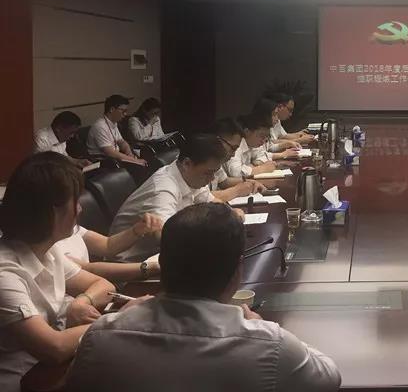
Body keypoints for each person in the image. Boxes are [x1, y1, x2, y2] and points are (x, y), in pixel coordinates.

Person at [65, 203, 341, 392]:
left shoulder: (99, 336)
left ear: (163, 264)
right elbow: (330, 377)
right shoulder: (270, 344)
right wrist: (263, 325)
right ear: (238, 270)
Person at [0, 153, 115, 390]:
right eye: (76, 201)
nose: (80, 209)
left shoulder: (46, 250)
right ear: (53, 213)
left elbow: (105, 286)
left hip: (53, 371)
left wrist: (82, 301)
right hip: (23, 381)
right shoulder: (5, 273)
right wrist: (118, 321)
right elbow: (55, 347)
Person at [109, 134, 254, 261]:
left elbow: (210, 201)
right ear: (187, 163)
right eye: (208, 173)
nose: (211, 179)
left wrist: (230, 213)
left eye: (214, 172)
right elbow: (166, 237)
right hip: (132, 265)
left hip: (160, 255)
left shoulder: (189, 174)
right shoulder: (163, 189)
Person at [55, 213, 163, 283]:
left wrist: (137, 230)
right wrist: (152, 267)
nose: (79, 208)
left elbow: (107, 245)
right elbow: (89, 270)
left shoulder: (67, 225)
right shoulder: (50, 245)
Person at [86, 95, 146, 165]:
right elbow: (110, 152)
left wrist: (129, 153)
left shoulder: (113, 122)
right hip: (103, 161)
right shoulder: (99, 126)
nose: (125, 114)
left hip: (114, 158)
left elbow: (121, 142)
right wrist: (134, 160)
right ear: (112, 109)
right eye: (123, 111)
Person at [224, 113, 279, 178]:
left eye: (265, 137)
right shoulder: (237, 145)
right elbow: (235, 172)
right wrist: (261, 169)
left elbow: (263, 155)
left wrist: (256, 164)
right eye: (261, 136)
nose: (263, 141)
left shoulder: (252, 144)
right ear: (247, 132)